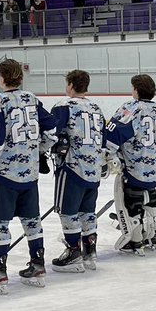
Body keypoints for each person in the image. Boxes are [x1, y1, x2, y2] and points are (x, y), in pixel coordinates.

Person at [0, 59, 57, 293]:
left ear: (2, 77)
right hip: (29, 175)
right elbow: (52, 132)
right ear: (20, 77)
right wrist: (38, 151)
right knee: (32, 220)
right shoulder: (32, 99)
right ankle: (38, 265)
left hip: (4, 176)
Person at [47, 70, 106, 273]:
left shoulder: (64, 106)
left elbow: (50, 133)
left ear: (71, 85)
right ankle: (90, 252)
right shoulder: (96, 108)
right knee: (87, 211)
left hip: (72, 168)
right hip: (94, 168)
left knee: (67, 210)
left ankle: (73, 252)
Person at [104, 74, 156, 255]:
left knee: (132, 201)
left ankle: (135, 239)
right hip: (155, 168)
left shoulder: (131, 108)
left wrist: (108, 153)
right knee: (151, 198)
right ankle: (155, 235)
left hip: (135, 167)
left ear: (136, 90)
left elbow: (113, 133)